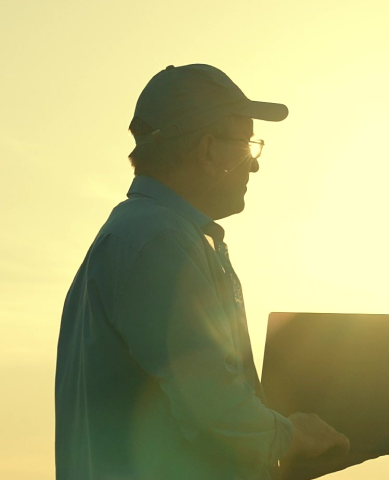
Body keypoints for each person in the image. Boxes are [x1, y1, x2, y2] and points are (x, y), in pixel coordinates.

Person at [56, 64, 350, 480]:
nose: (255, 165)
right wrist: (292, 438)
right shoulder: (158, 241)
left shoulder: (145, 235)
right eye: (247, 145)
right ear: (209, 150)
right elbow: (211, 405)